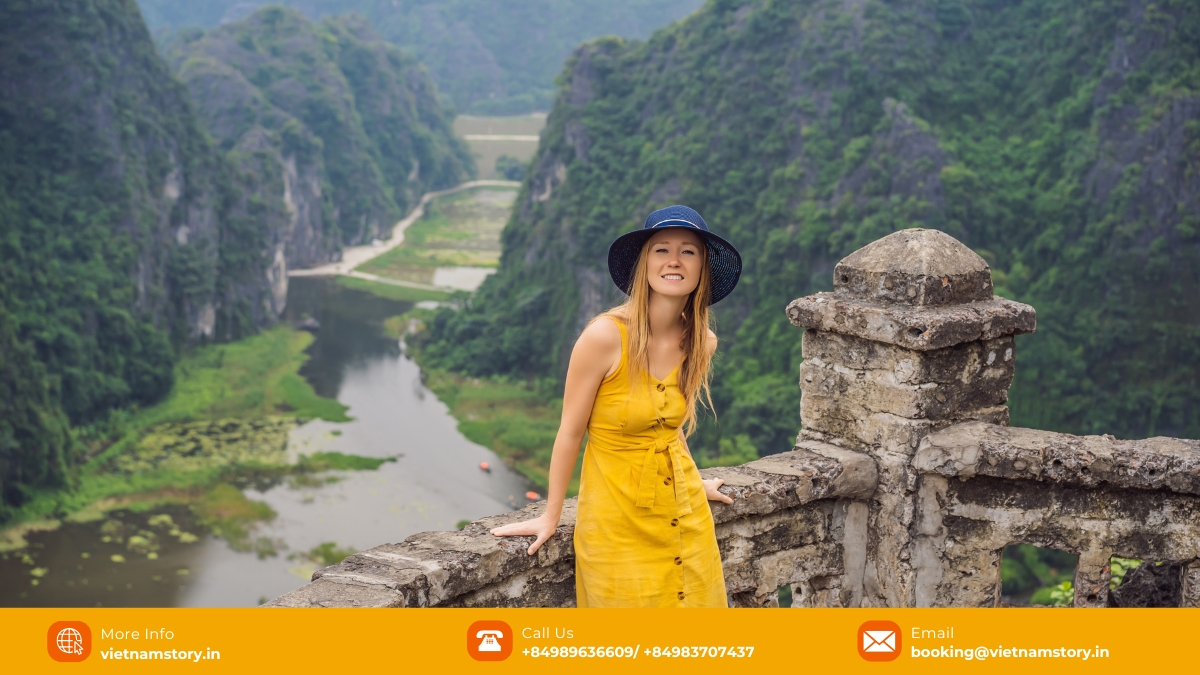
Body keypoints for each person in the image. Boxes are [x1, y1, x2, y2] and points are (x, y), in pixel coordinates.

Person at [491, 205, 742, 607]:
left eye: (688, 251)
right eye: (661, 250)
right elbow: (570, 432)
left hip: (687, 518)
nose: (674, 260)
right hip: (616, 524)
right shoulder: (605, 337)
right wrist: (550, 515)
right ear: (644, 265)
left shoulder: (701, 342)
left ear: (702, 269)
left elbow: (670, 426)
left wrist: (694, 482)